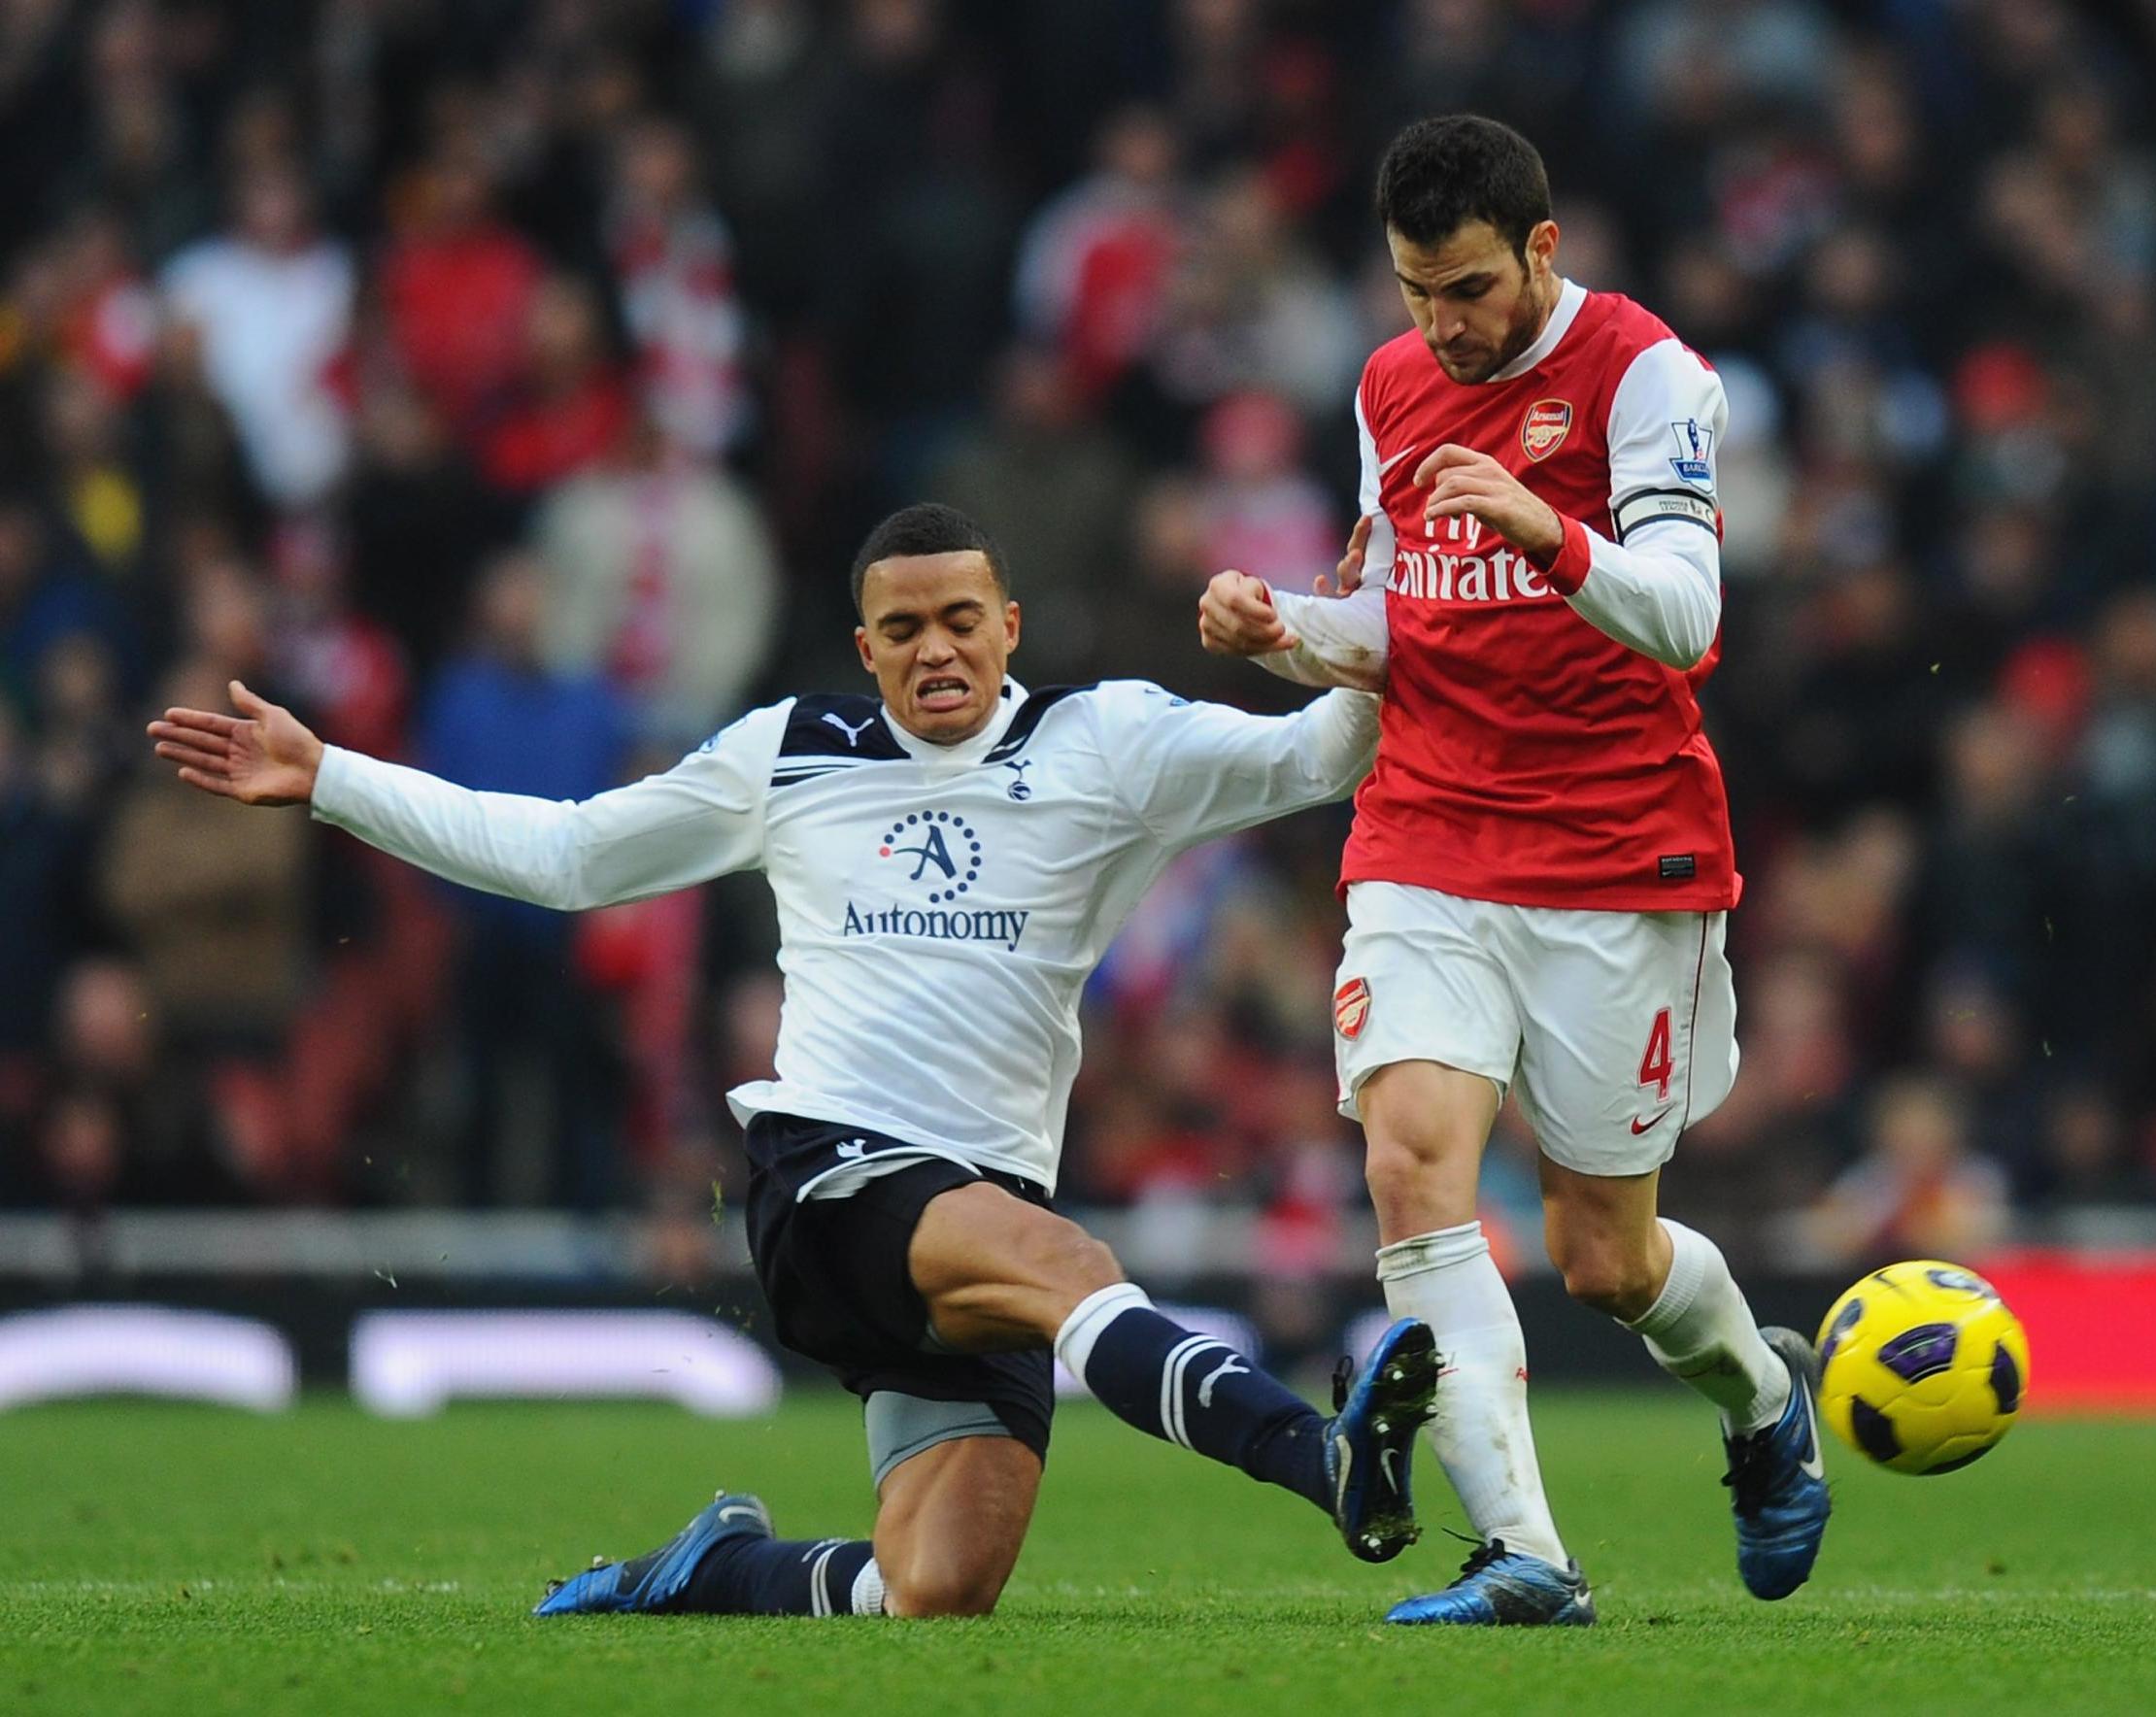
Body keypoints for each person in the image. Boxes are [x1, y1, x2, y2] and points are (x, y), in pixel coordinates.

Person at [146, 502, 1436, 1622]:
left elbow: (1320, 758)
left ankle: (716, 1570)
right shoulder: (790, 752)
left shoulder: (1110, 744)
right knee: (1074, 1270)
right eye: (903, 627)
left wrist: (1347, 646)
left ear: (1011, 624)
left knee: (935, 1587)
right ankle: (1315, 1456)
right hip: (833, 1177)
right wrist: (332, 779)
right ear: (864, 645)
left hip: (982, 1204)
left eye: (960, 618)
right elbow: (568, 857)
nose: (936, 647)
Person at [1198, 116, 1830, 1626]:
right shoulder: (1388, 387)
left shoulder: (1649, 377)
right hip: (1426, 830)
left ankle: (1759, 1404)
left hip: (1619, 851)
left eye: (1469, 288)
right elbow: (1397, 625)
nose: (1442, 325)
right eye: (1417, 290)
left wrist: (1547, 526)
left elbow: (1684, 618)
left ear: (1542, 251)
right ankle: (1528, 1557)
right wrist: (1282, 628)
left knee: (1603, 1259)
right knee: (1411, 1158)